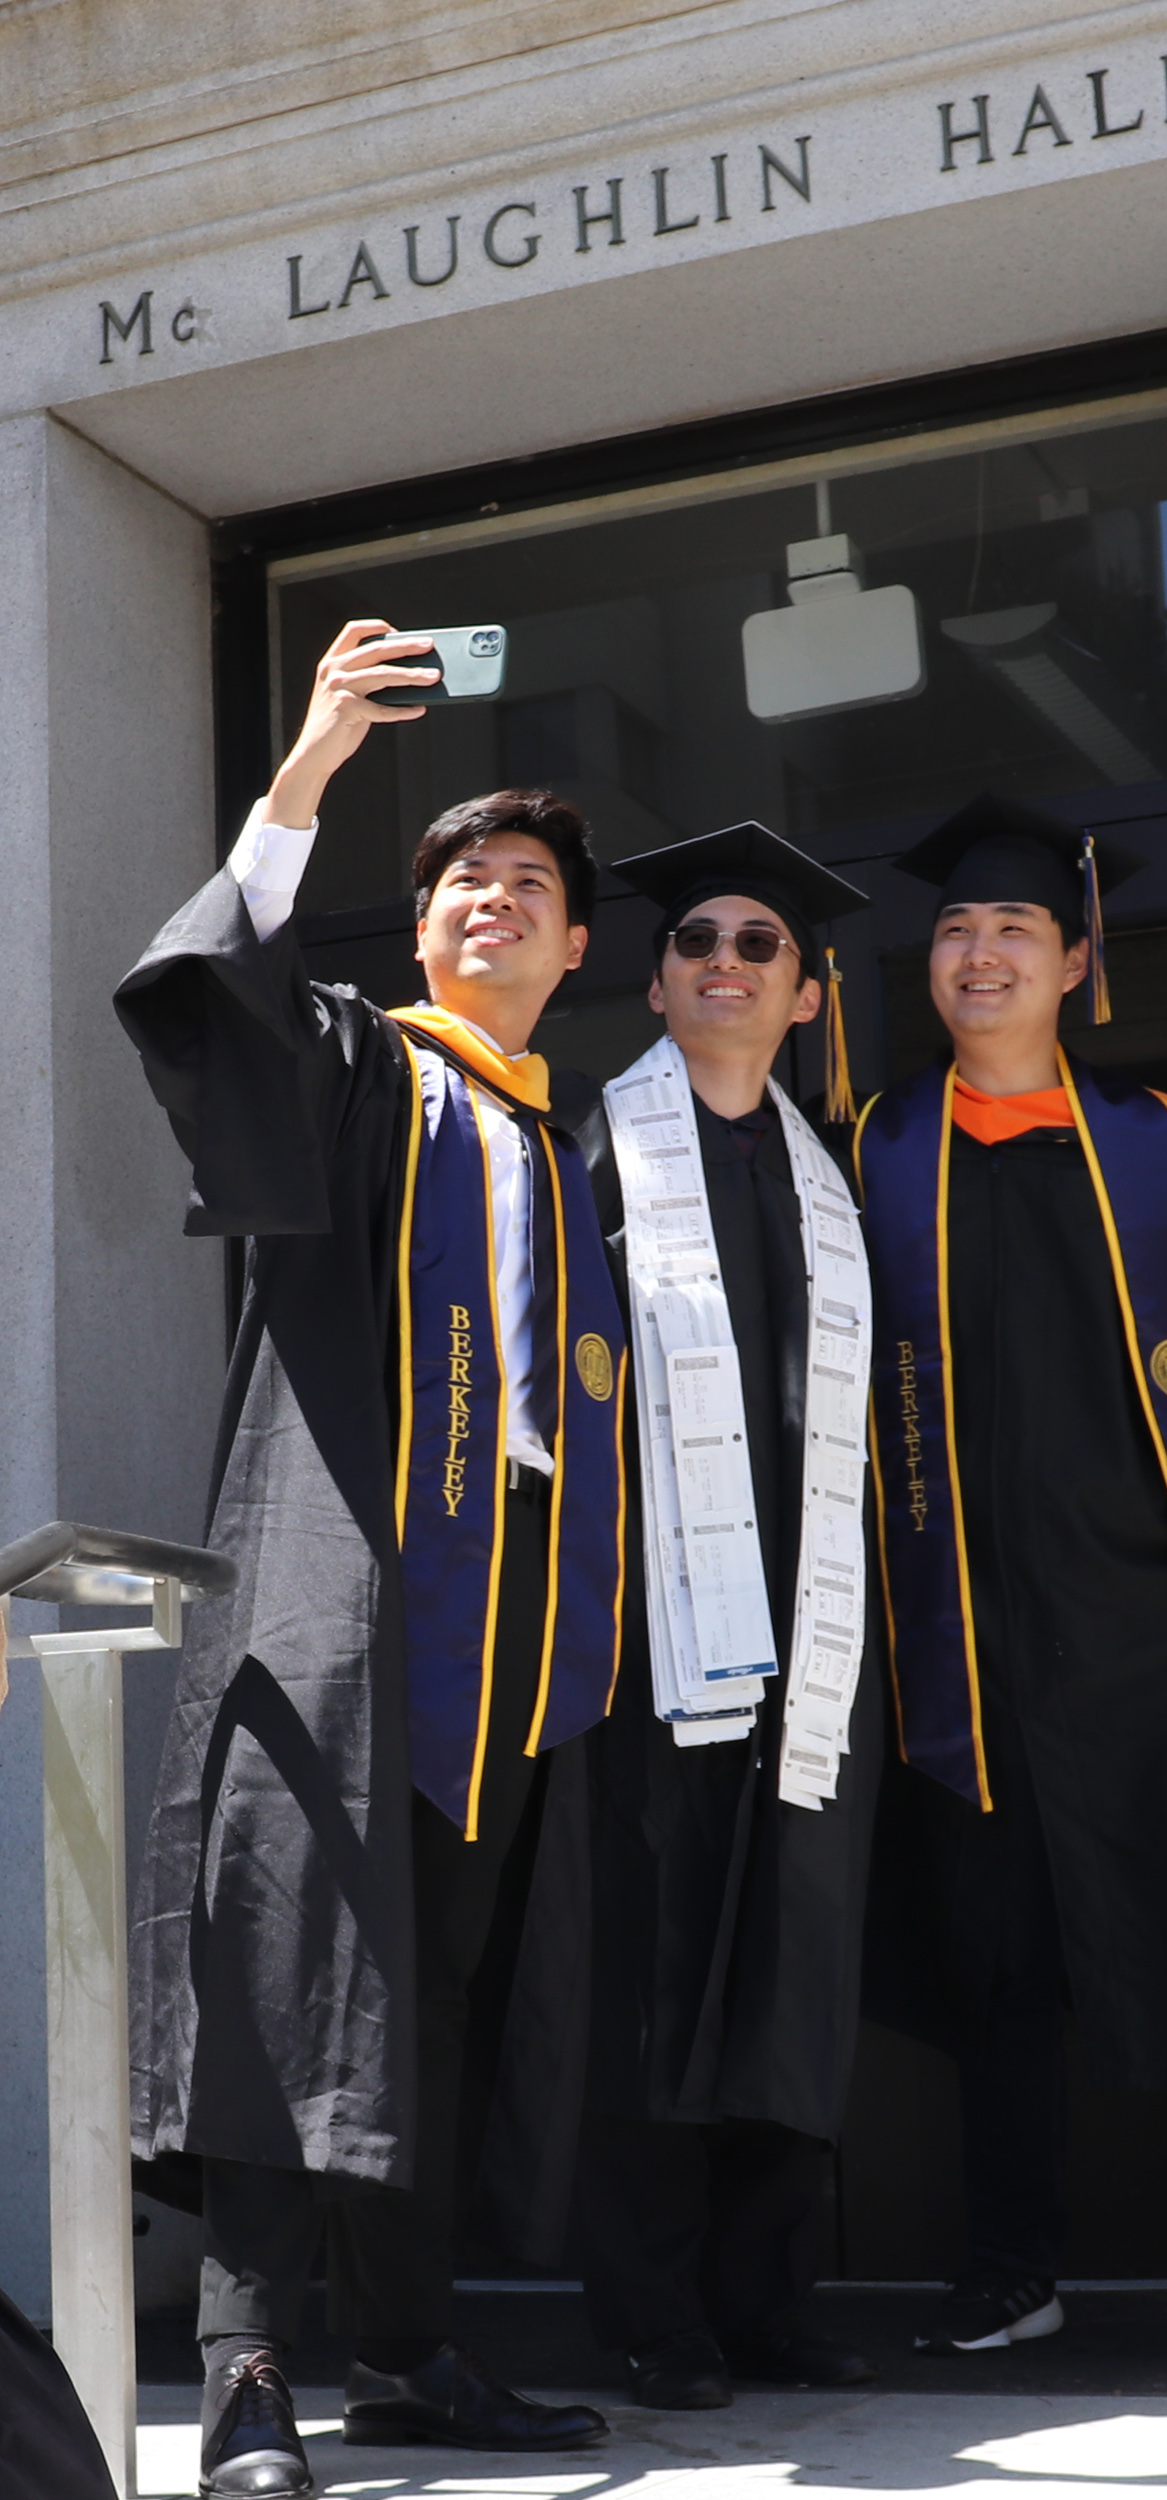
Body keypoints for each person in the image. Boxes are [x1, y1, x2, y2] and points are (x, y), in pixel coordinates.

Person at [115, 620, 622, 2495]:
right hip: (337, 1617)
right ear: (418, 937)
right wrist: (309, 773)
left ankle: (414, 2352)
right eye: (465, 883)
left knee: (444, 2007)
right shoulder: (355, 1072)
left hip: (503, 1666)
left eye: (534, 889)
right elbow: (207, 986)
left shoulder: (571, 1160)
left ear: (578, 953)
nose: (496, 899)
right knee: (280, 1971)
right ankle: (247, 2380)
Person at [854, 792, 1167, 2394]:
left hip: (1162, 1624)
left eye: (1012, 930)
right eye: (954, 929)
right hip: (964, 1642)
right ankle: (1014, 2274)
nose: (979, 952)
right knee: (1000, 1963)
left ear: (1076, 962)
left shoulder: (1162, 1145)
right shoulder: (874, 1148)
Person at [573, 824, 882, 2409]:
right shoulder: (592, 1161)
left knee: (791, 1964)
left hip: (817, 1647)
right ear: (654, 982)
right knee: (659, 1973)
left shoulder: (839, 1184)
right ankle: (650, 2311)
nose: (727, 962)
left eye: (763, 945)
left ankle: (762, 2297)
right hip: (659, 1649)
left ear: (807, 994)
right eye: (698, 940)